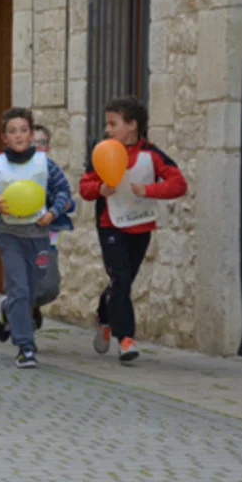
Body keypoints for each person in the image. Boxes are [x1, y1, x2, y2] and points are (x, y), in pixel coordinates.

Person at [79, 96, 187, 363]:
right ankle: (126, 339)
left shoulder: (152, 154)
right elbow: (85, 188)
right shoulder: (101, 152)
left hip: (140, 225)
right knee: (121, 278)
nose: (107, 129)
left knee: (123, 282)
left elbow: (178, 184)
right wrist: (100, 188)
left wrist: (150, 190)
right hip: (110, 225)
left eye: (113, 123)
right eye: (107, 124)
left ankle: (103, 315)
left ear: (132, 125)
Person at [0, 107, 73, 368]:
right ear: (4, 137)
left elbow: (64, 191)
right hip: (9, 235)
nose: (18, 135)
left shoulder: (45, 164)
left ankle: (10, 311)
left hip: (39, 235)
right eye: (12, 131)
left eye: (23, 130)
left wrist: (53, 212)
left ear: (31, 135)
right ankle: (26, 347)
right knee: (19, 288)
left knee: (33, 291)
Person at [31, 125, 69, 328]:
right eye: (33, 143)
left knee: (50, 288)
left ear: (48, 147)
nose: (37, 147)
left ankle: (27, 305)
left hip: (48, 237)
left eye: (42, 143)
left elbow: (67, 198)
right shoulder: (12, 171)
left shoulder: (53, 173)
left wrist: (59, 207)